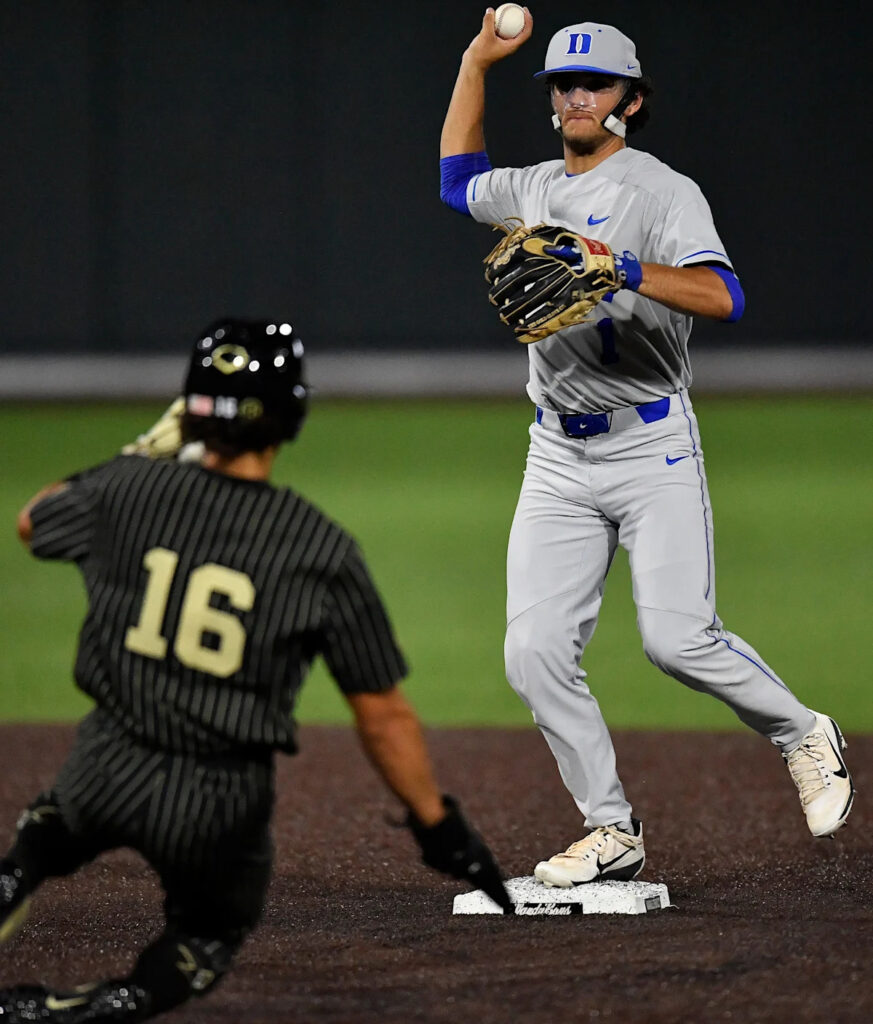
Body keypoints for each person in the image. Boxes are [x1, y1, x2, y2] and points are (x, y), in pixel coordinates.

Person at [439, 11, 854, 887]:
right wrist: (476, 60)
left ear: (630, 97)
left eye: (593, 83)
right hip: (555, 457)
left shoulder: (662, 192)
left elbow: (724, 296)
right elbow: (455, 182)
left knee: (675, 640)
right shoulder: (531, 187)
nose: (576, 95)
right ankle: (610, 827)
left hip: (649, 448)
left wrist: (619, 268)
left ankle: (800, 732)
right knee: (533, 650)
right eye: (562, 84)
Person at [0, 319, 511, 1024]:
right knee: (205, 934)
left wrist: (150, 448)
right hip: (216, 800)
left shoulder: (127, 490)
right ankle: (97, 1008)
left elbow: (34, 523)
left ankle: (18, 869)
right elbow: (382, 714)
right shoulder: (318, 548)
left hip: (104, 763)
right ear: (290, 414)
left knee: (45, 838)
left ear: (191, 410)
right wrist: (437, 827)